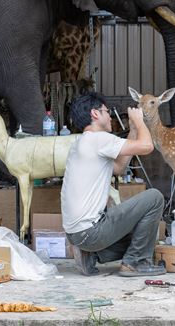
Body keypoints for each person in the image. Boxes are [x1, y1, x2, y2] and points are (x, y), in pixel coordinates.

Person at [61, 92, 166, 277]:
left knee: (145, 236)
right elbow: (147, 146)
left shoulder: (82, 142)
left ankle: (92, 255)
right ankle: (134, 263)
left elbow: (118, 167)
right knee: (155, 198)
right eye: (107, 111)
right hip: (91, 232)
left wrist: (133, 130)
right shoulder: (99, 139)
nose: (110, 117)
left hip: (77, 234)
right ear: (95, 114)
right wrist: (139, 120)